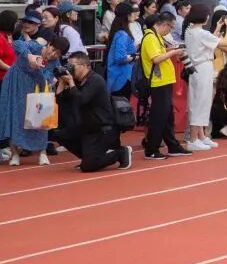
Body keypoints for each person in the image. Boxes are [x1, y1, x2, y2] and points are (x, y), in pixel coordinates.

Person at [53, 52, 133, 172]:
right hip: (87, 128)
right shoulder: (76, 81)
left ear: (84, 65)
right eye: (67, 65)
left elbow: (81, 100)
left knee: (88, 167)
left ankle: (120, 152)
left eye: (72, 65)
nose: (69, 69)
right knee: (59, 133)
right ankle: (89, 157)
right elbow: (60, 100)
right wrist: (61, 81)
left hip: (103, 130)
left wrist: (71, 83)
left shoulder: (95, 80)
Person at [0, 32, 68, 166]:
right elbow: (17, 44)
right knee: (15, 116)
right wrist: (29, 56)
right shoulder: (35, 46)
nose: (53, 54)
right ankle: (15, 153)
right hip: (16, 82)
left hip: (37, 88)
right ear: (49, 44)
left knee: (40, 119)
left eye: (58, 53)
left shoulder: (54, 62)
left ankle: (42, 152)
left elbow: (48, 78)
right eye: (53, 49)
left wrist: (40, 70)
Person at [140, 13, 190, 160]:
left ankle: (173, 146)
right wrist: (174, 52)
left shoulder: (156, 37)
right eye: (171, 27)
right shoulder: (150, 37)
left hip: (164, 80)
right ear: (164, 24)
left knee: (167, 116)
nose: (170, 31)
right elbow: (156, 58)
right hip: (158, 82)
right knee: (159, 116)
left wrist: (170, 50)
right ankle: (151, 149)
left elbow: (160, 53)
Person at [184, 5, 227, 150]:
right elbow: (224, 43)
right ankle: (193, 139)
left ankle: (201, 136)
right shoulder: (200, 33)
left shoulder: (190, 30)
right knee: (200, 103)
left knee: (201, 102)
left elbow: (209, 40)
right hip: (202, 67)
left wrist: (217, 28)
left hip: (198, 67)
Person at [105, 3, 139, 97]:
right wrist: (136, 57)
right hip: (121, 78)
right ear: (127, 15)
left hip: (119, 76)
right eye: (132, 13)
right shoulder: (122, 34)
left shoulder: (118, 32)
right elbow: (120, 58)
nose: (134, 15)